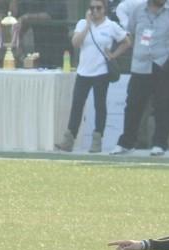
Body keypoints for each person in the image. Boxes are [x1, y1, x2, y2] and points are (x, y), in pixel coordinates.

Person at [109, 0, 169, 156]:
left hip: (166, 64)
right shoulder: (137, 10)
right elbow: (133, 31)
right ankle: (126, 143)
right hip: (141, 64)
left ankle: (160, 143)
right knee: (133, 104)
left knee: (164, 104)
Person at [56, 0, 131, 153]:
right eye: (92, 8)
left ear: (104, 9)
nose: (95, 11)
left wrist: (113, 55)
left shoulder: (111, 26)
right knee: (77, 104)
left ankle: (97, 140)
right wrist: (87, 25)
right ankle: (69, 139)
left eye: (98, 8)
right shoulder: (82, 23)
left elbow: (126, 42)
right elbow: (75, 43)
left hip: (101, 72)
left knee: (99, 105)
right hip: (83, 71)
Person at [16, 0, 69, 68]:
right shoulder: (31, 3)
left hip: (59, 51)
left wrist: (27, 17)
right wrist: (18, 42)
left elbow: (48, 16)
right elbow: (23, 27)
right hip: (40, 52)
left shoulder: (58, 2)